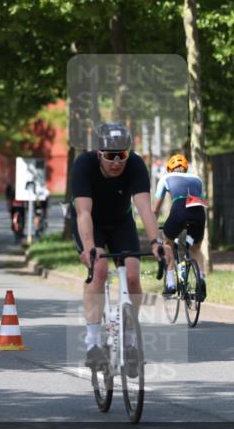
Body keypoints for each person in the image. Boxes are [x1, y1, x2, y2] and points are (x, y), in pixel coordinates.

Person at [70, 122, 164, 373]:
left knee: (132, 275)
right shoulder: (83, 166)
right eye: (110, 156)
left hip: (121, 222)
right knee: (99, 270)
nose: (117, 162)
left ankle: (130, 342)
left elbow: (144, 208)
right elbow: (83, 213)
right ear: (99, 153)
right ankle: (92, 344)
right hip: (91, 223)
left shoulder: (135, 165)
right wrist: (90, 248)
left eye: (122, 155)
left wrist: (156, 242)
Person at [153, 153, 207, 300]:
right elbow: (201, 197)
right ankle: (201, 279)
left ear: (170, 169)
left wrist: (152, 226)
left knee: (167, 242)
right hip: (198, 210)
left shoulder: (165, 178)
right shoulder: (197, 178)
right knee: (196, 248)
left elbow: (155, 209)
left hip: (179, 209)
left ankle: (170, 284)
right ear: (186, 168)